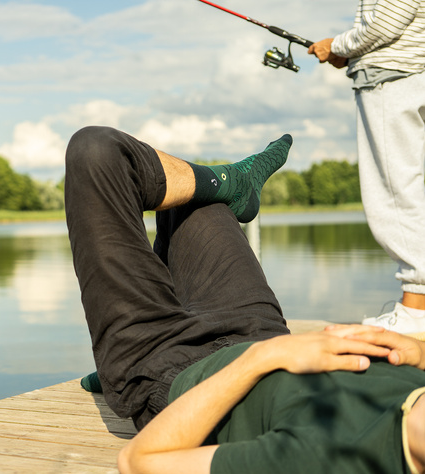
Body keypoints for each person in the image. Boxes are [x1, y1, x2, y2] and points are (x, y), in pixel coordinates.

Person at [65, 126, 425, 474]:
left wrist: (261, 359)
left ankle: (123, 366)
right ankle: (237, 184)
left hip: (172, 370)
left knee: (97, 152)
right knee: (193, 198)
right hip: (259, 331)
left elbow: (140, 463)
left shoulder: (336, 458)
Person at [308, 0, 425, 335]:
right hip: (409, 72)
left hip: (391, 79)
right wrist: (349, 52)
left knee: (394, 190)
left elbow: (387, 23)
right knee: (405, 186)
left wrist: (337, 45)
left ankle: (417, 310)